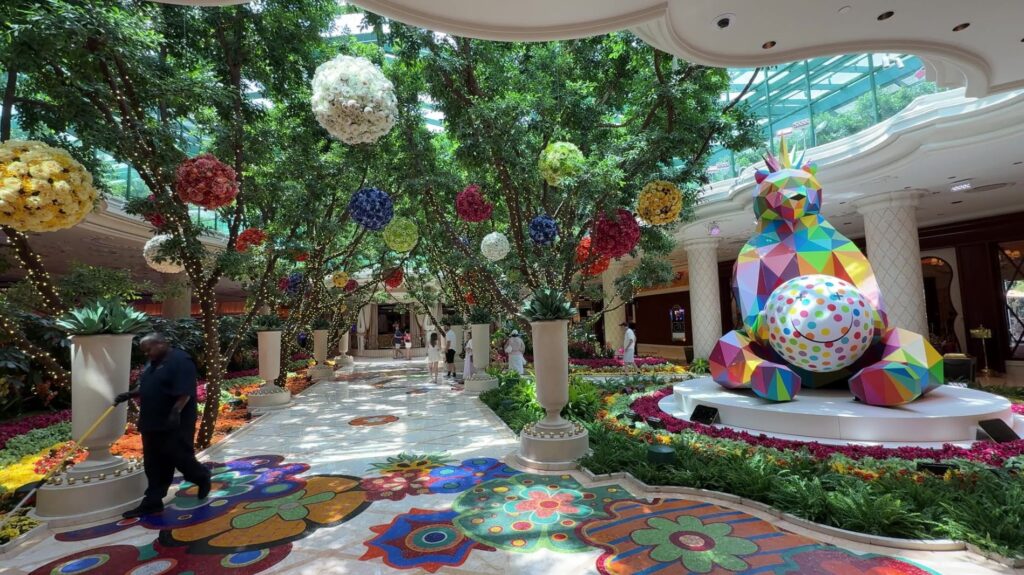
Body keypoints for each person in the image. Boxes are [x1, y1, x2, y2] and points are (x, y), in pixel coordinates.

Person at [114, 333, 211, 518]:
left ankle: (201, 476)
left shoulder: (181, 360)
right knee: (154, 462)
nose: (147, 354)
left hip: (174, 421)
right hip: (152, 421)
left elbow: (185, 391)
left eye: (149, 349)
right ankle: (153, 501)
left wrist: (176, 411)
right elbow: (149, 385)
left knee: (180, 456)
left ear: (162, 343)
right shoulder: (153, 362)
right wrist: (130, 394)